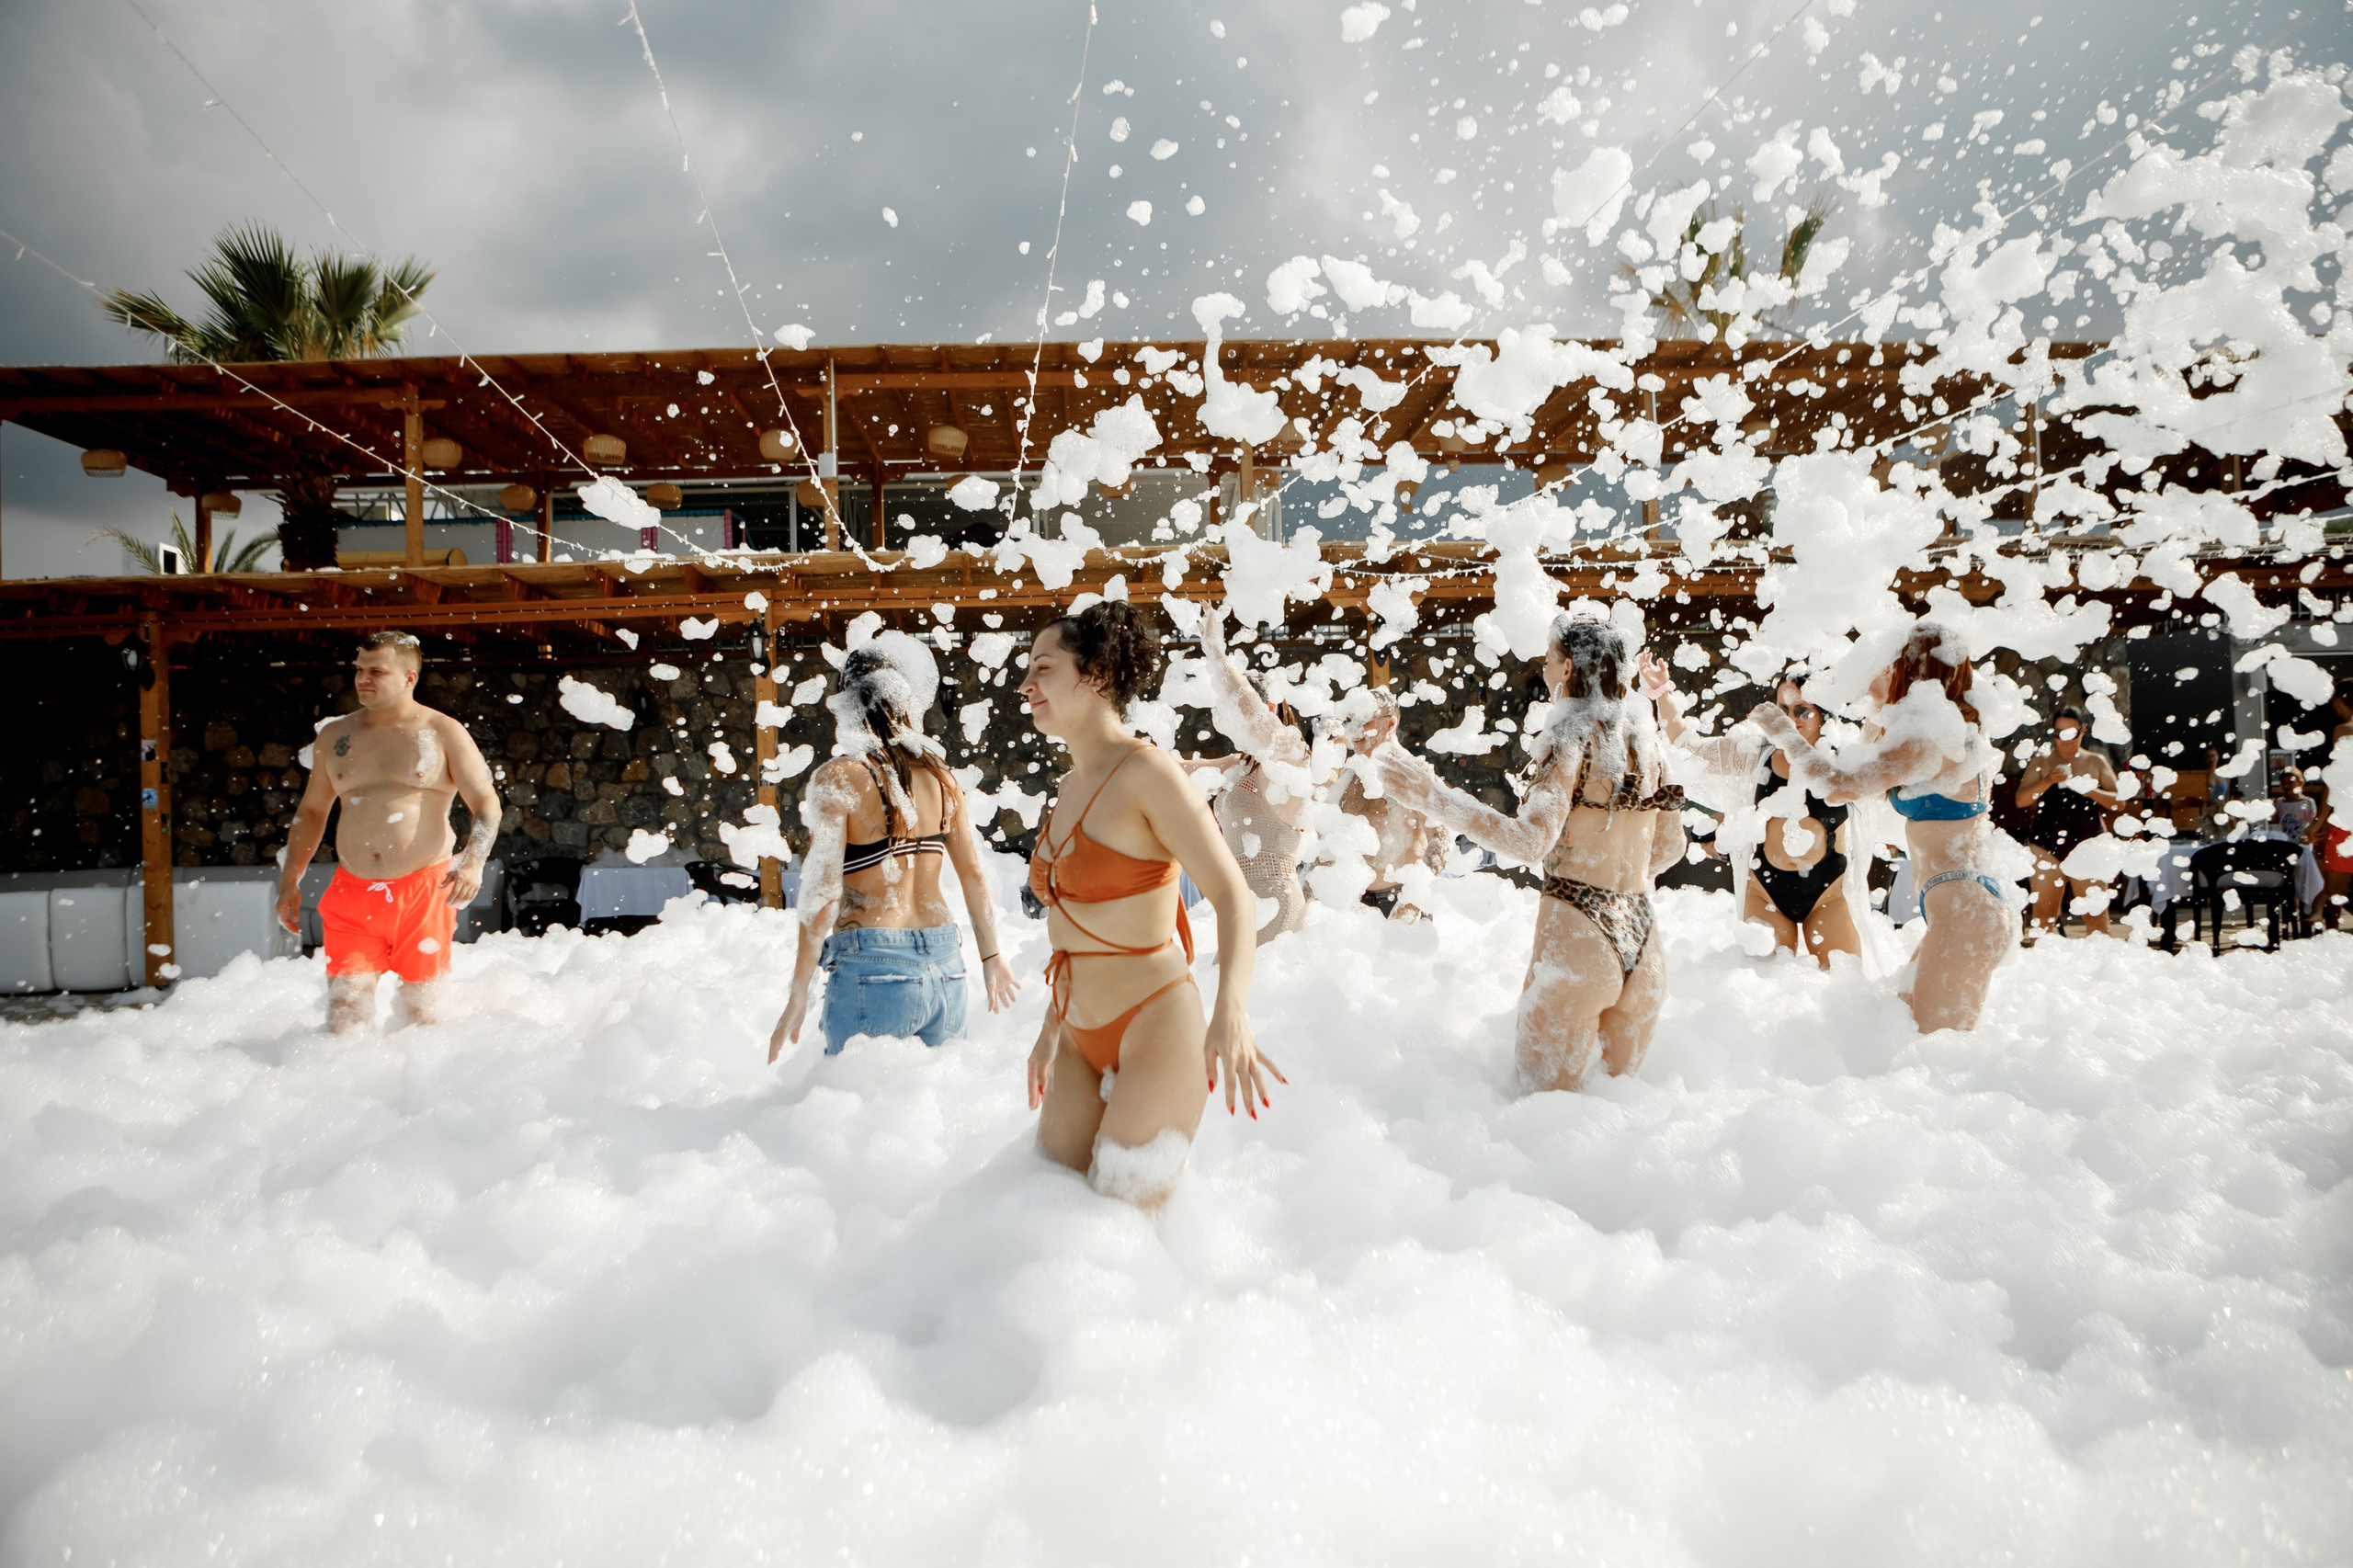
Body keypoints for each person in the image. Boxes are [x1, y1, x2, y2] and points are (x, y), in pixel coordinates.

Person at [1019, 600, 1280, 1205]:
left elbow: (1232, 897)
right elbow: (1071, 926)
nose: (1026, 684)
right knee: (1047, 1213)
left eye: (1044, 667)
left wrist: (1231, 1013)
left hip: (1155, 1025)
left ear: (1097, 677)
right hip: (1076, 1034)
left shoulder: (1149, 773)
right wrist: (1048, 1029)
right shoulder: (1067, 787)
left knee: (1122, 1219)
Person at [1376, 615, 1686, 1093]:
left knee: (1540, 1121)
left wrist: (1436, 798)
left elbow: (1529, 842)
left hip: (1580, 934)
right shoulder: (1649, 745)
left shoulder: (1569, 738)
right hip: (1642, 937)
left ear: (1567, 670)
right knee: (1615, 1120)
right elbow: (1670, 847)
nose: (1544, 667)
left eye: (1549, 657)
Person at [1750, 622, 2011, 1033]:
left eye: (1886, 665)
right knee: (1900, 1034)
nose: (1875, 671)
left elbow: (1838, 787)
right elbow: (1856, 777)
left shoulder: (1929, 740)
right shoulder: (1927, 732)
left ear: (1912, 673)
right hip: (1960, 908)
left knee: (1932, 1053)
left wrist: (1784, 733)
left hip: (1966, 913)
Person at [768, 632, 1019, 1059]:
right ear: (907, 698)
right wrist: (991, 956)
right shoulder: (942, 777)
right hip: (946, 965)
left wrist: (798, 994)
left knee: (856, 1116)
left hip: (875, 964)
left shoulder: (841, 776)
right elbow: (974, 874)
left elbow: (823, 895)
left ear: (846, 702)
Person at [276, 631, 502, 1033]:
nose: (363, 679)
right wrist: (290, 879)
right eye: (360, 670)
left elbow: (486, 804)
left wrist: (473, 861)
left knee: (423, 1015)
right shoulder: (335, 736)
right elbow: (312, 811)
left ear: (409, 677)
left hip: (422, 891)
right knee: (344, 1012)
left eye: (376, 671)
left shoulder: (442, 731)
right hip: (352, 891)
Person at [1645, 662, 1860, 967]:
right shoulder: (1756, 755)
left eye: (1802, 711)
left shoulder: (1845, 764)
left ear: (1825, 715)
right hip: (1766, 892)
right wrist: (1662, 692)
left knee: (1842, 985)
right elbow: (1687, 745)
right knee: (1765, 987)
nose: (1790, 721)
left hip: (1828, 895)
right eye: (1782, 711)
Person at [1176, 607, 1312, 945]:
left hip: (1273, 902)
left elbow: (1246, 707)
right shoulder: (1243, 764)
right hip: (1241, 904)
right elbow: (1178, 770)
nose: (1223, 722)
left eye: (1227, 713)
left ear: (1267, 713)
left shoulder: (1291, 758)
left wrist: (1217, 654)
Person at [1325, 686, 1447, 919]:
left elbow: (1440, 837)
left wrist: (1415, 898)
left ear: (1390, 725)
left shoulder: (1413, 773)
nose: (1353, 729)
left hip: (1400, 897)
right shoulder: (1349, 774)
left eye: (1364, 720)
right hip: (1351, 899)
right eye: (1350, 720)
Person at [2015, 706, 2120, 937]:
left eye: (2071, 733)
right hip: (2045, 845)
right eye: (2059, 734)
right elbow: (2021, 800)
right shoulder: (2042, 761)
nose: (2065, 740)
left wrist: (2089, 789)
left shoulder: (2095, 761)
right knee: (2043, 918)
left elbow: (2118, 802)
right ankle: (2045, 971)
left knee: (2096, 919)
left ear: (2082, 731)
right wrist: (2047, 781)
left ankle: (2100, 971)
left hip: (2087, 844)